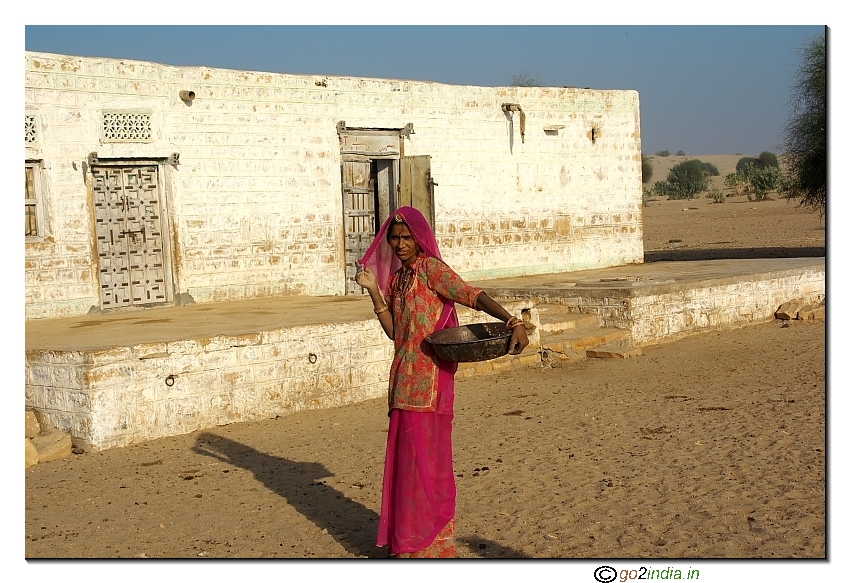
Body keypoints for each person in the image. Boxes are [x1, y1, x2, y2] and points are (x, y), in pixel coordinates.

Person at [356, 206, 529, 558]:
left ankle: (431, 538)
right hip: (403, 378)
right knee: (407, 462)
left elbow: (471, 295)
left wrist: (512, 321)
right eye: (395, 237)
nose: (401, 244)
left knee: (429, 461)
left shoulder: (431, 270)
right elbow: (396, 332)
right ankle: (408, 536)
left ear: (420, 240)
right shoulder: (397, 280)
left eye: (407, 237)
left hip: (430, 381)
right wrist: (374, 291)